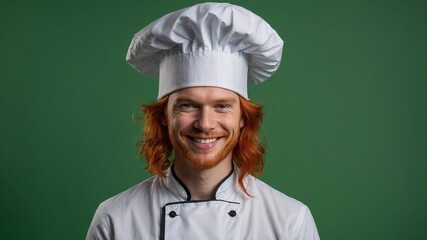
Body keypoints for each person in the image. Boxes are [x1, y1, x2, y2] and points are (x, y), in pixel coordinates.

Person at [86, 2, 320, 239]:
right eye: (188, 105)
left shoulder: (290, 222)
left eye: (222, 106)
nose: (205, 124)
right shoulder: (115, 220)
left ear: (243, 118)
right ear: (164, 116)